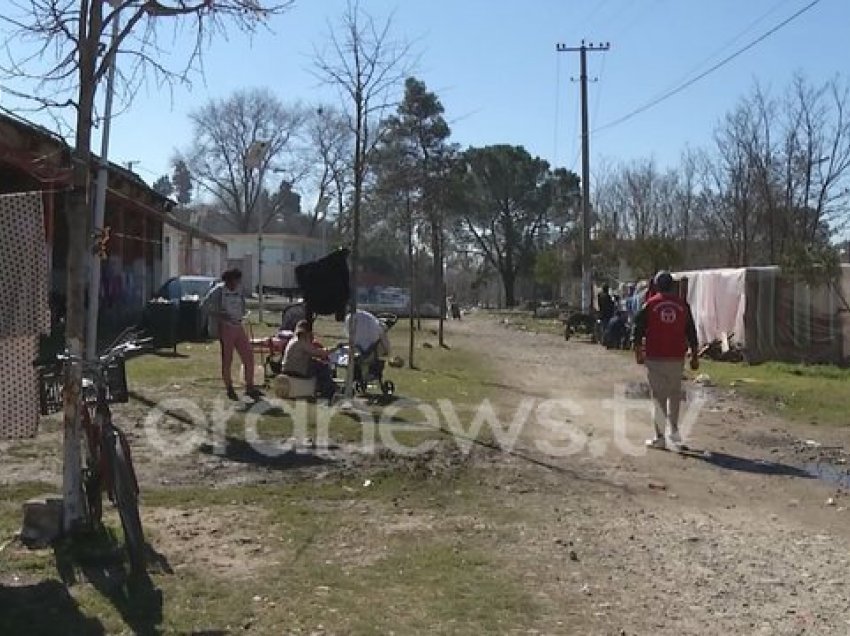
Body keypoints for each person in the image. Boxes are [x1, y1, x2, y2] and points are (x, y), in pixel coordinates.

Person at [632, 270, 699, 450]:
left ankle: (660, 437)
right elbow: (691, 332)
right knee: (674, 395)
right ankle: (674, 433)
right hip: (676, 357)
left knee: (658, 398)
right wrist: (695, 355)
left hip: (656, 357)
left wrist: (638, 351)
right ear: (672, 285)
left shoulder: (650, 304)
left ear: (656, 285)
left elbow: (637, 329)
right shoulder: (683, 305)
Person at [206, 269, 263, 401]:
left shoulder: (239, 290)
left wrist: (244, 314)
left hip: (238, 325)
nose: (237, 283)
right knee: (228, 358)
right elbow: (205, 306)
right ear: (229, 280)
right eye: (235, 280)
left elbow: (242, 304)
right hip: (225, 327)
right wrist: (219, 315)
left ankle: (250, 386)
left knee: (248, 355)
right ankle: (229, 388)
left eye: (238, 280)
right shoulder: (218, 290)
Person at [282, 320, 336, 400]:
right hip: (297, 369)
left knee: (315, 363)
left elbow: (308, 354)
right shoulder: (301, 341)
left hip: (286, 368)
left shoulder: (293, 340)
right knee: (323, 367)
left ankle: (320, 388)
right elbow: (320, 353)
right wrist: (335, 348)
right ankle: (327, 392)